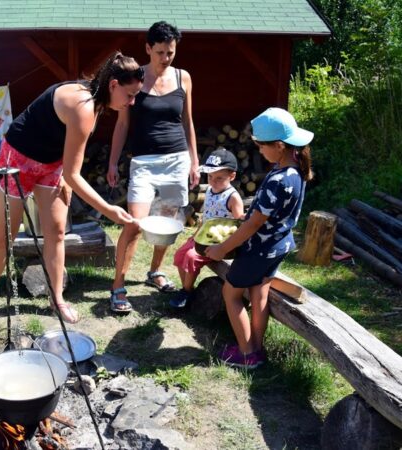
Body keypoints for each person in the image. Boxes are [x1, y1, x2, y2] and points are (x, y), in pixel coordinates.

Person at [0, 52, 145, 325]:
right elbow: (74, 175)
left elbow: (70, 162)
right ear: (113, 85)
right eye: (130, 95)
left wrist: (63, 175)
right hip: (19, 159)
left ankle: (56, 298)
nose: (132, 102)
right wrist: (110, 211)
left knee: (57, 233)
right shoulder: (83, 105)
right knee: (4, 236)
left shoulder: (95, 100)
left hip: (51, 164)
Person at [205, 107, 314, 369]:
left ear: (278, 145)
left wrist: (222, 248)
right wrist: (253, 215)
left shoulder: (277, 179)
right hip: (279, 245)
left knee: (230, 293)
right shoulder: (295, 170)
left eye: (261, 147)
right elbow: (267, 214)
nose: (260, 152)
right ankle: (256, 348)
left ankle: (246, 354)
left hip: (258, 249)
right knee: (259, 294)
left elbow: (253, 225)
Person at [106, 21, 199, 313]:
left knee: (168, 222)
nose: (165, 58)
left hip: (176, 160)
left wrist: (194, 160)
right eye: (159, 52)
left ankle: (154, 271)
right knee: (134, 224)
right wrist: (112, 161)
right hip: (144, 163)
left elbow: (188, 121)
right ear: (148, 48)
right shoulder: (135, 79)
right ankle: (118, 286)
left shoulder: (184, 77)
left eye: (170, 52)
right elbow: (122, 123)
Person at [169, 148, 244, 308]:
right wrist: (195, 236)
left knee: (191, 256)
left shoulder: (233, 197)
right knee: (180, 255)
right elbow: (206, 217)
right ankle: (188, 288)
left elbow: (238, 225)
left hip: (220, 243)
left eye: (219, 178)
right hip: (203, 236)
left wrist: (226, 246)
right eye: (210, 176)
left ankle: (186, 292)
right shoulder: (210, 190)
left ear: (232, 176)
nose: (213, 181)